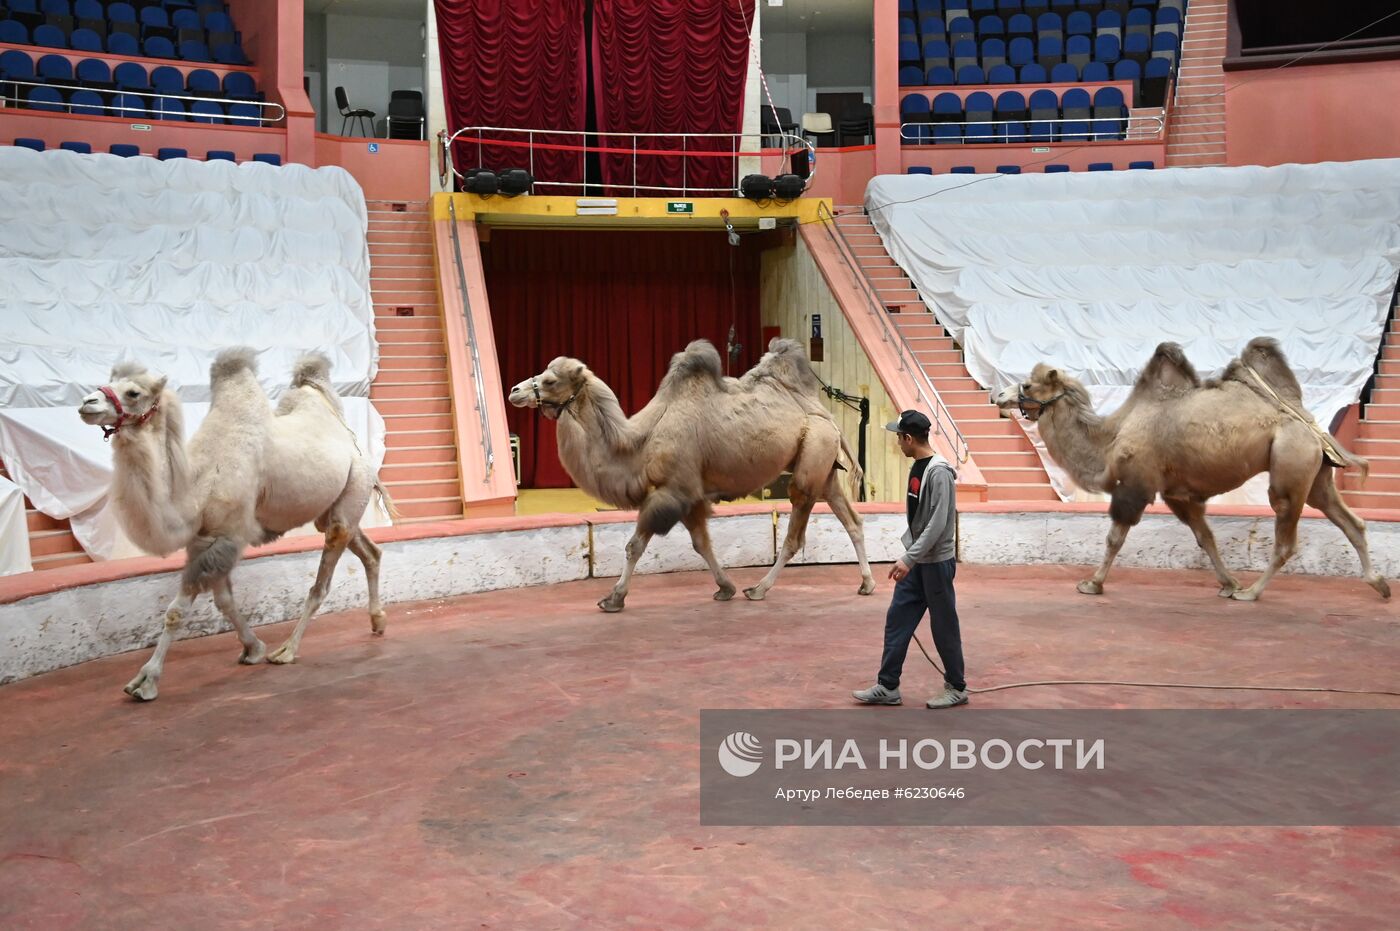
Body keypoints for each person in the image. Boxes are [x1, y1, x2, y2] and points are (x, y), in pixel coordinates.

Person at [852, 409, 967, 709]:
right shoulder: (917, 466)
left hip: (936, 564)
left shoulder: (938, 472)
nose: (896, 444)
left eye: (898, 438)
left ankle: (956, 686)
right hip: (917, 563)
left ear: (908, 438)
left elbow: (938, 522)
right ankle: (888, 686)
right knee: (897, 618)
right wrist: (911, 557)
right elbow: (920, 520)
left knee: (943, 627)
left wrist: (908, 558)